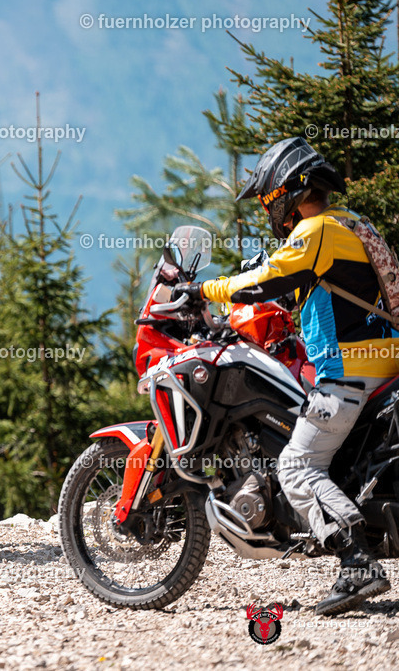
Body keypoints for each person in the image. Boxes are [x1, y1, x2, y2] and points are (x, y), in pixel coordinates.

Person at [176, 137, 399, 616]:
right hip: (379, 364)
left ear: (290, 192)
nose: (268, 211)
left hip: (347, 373)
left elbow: (266, 280)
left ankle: (357, 563)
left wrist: (205, 290)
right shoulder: (349, 224)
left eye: (269, 200)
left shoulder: (316, 231)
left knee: (296, 466)